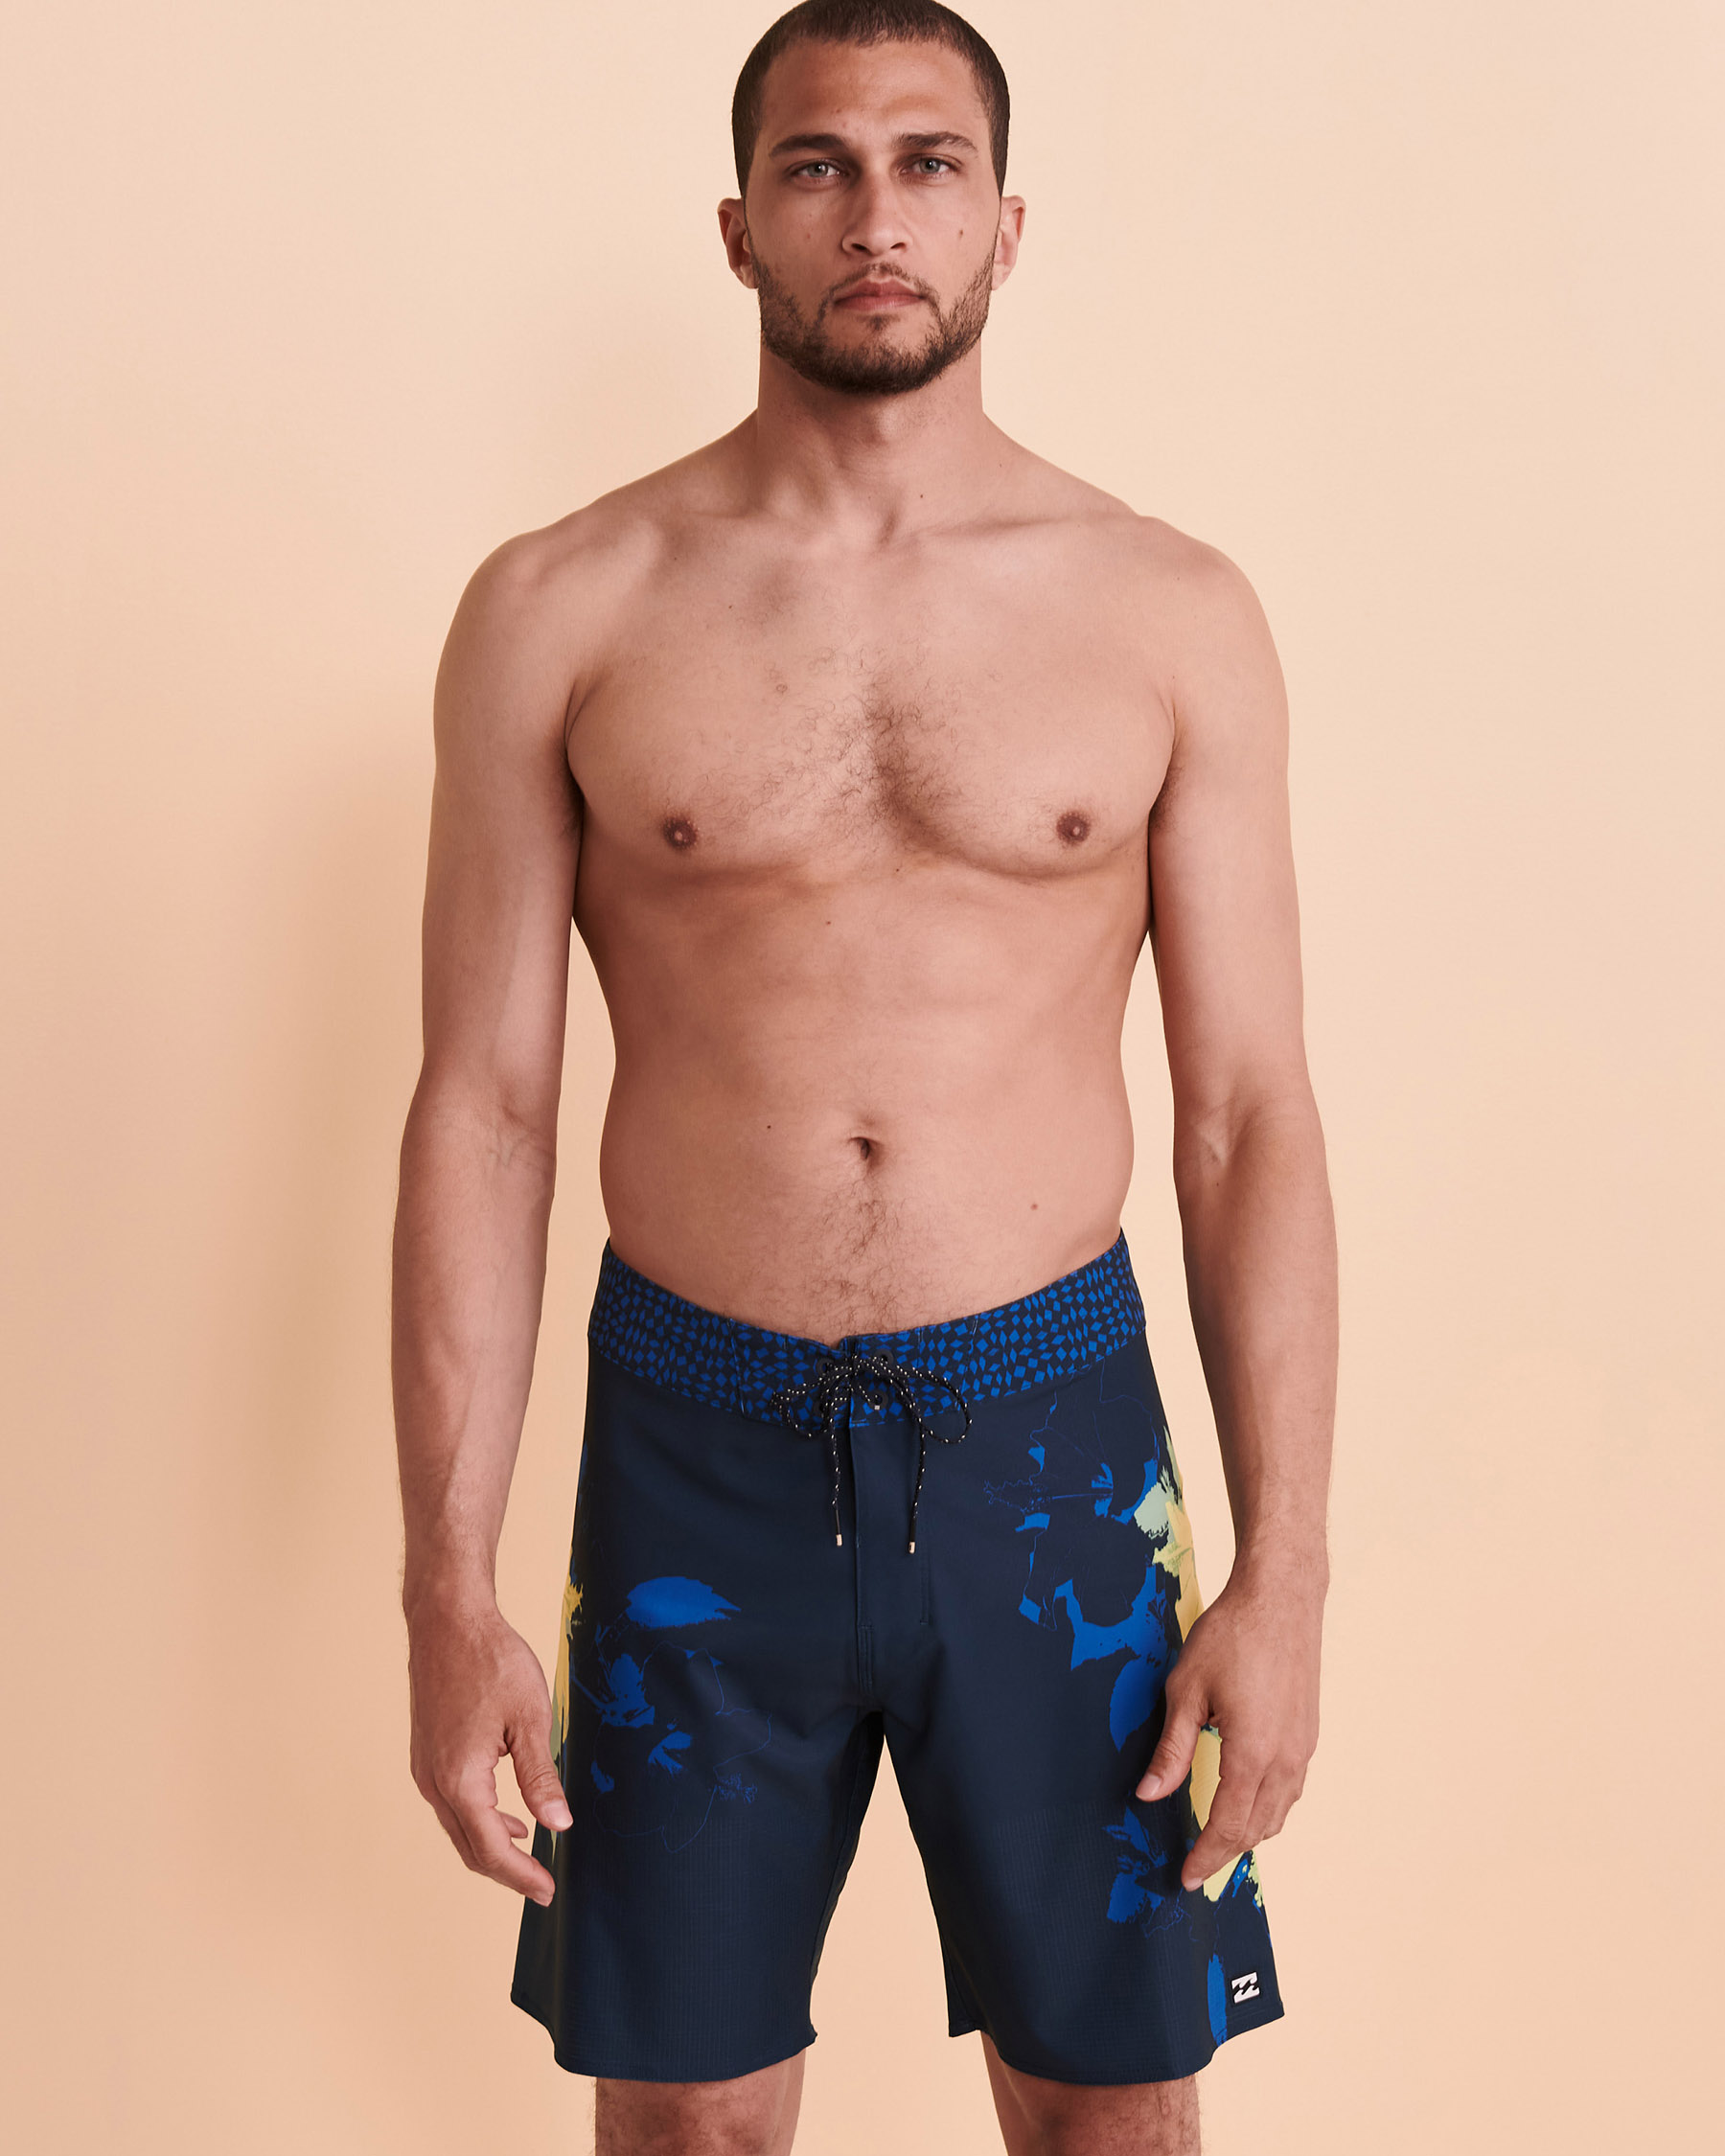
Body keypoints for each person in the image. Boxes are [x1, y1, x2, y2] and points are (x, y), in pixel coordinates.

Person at [391, 3, 1337, 2149]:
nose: (877, 215)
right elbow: (485, 1113)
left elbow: (1245, 1119)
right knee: (689, 2124)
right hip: (692, 1439)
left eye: (929, 163)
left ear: (1008, 222)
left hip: (1054, 1448)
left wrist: (1286, 1570)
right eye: (818, 165)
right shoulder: (561, 606)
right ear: (740, 228)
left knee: (1113, 2114)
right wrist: (445, 1591)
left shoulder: (1170, 612)